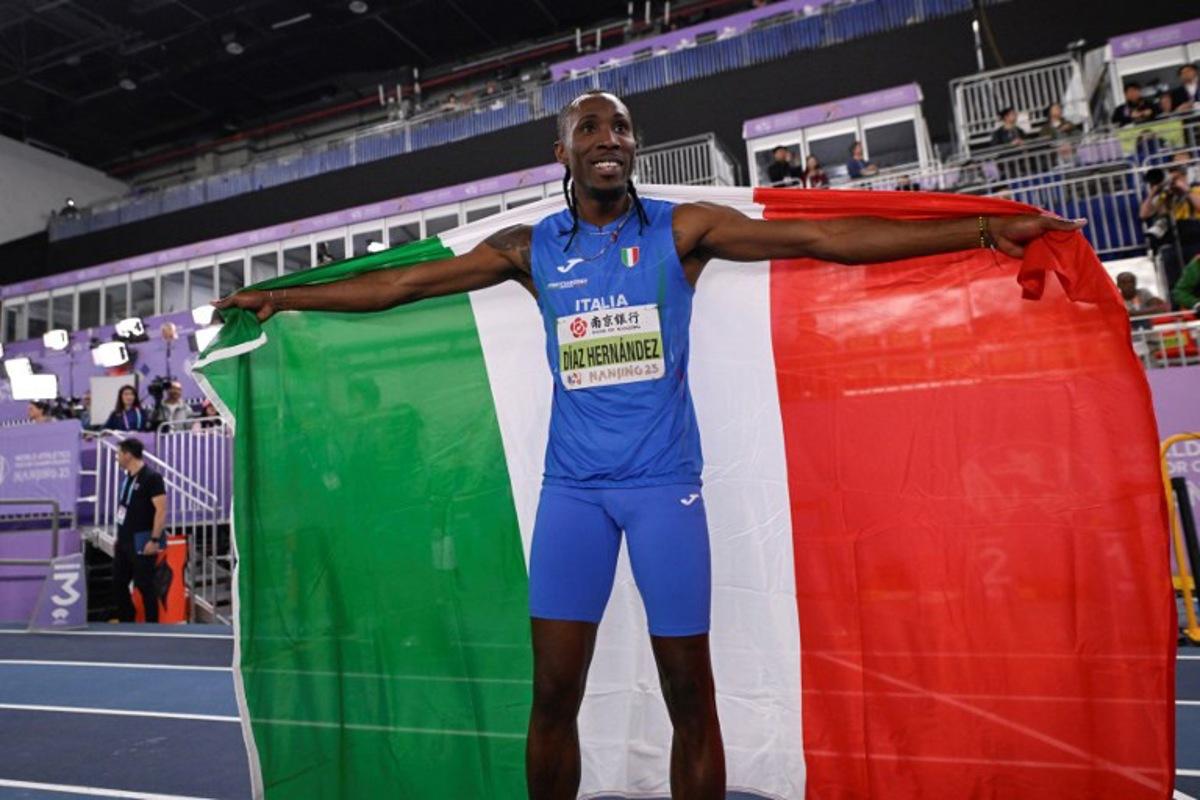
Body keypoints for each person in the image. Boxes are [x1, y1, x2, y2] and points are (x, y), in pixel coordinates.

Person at [215, 90, 1081, 800]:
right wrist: (286, 299)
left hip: (664, 491)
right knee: (554, 695)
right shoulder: (530, 249)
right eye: (588, 127)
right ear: (563, 151)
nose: (607, 138)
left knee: (688, 698)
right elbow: (403, 283)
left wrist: (973, 233)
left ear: (634, 149)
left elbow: (826, 238)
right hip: (573, 500)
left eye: (620, 128)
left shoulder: (681, 233)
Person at [111, 438, 167, 623]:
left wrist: (154, 539)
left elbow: (161, 509)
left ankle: (153, 625)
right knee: (118, 583)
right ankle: (127, 619)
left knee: (145, 585)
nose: (117, 458)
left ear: (128, 455)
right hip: (124, 539)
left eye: (119, 454)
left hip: (143, 539)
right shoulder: (128, 477)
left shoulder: (152, 478)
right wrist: (118, 536)